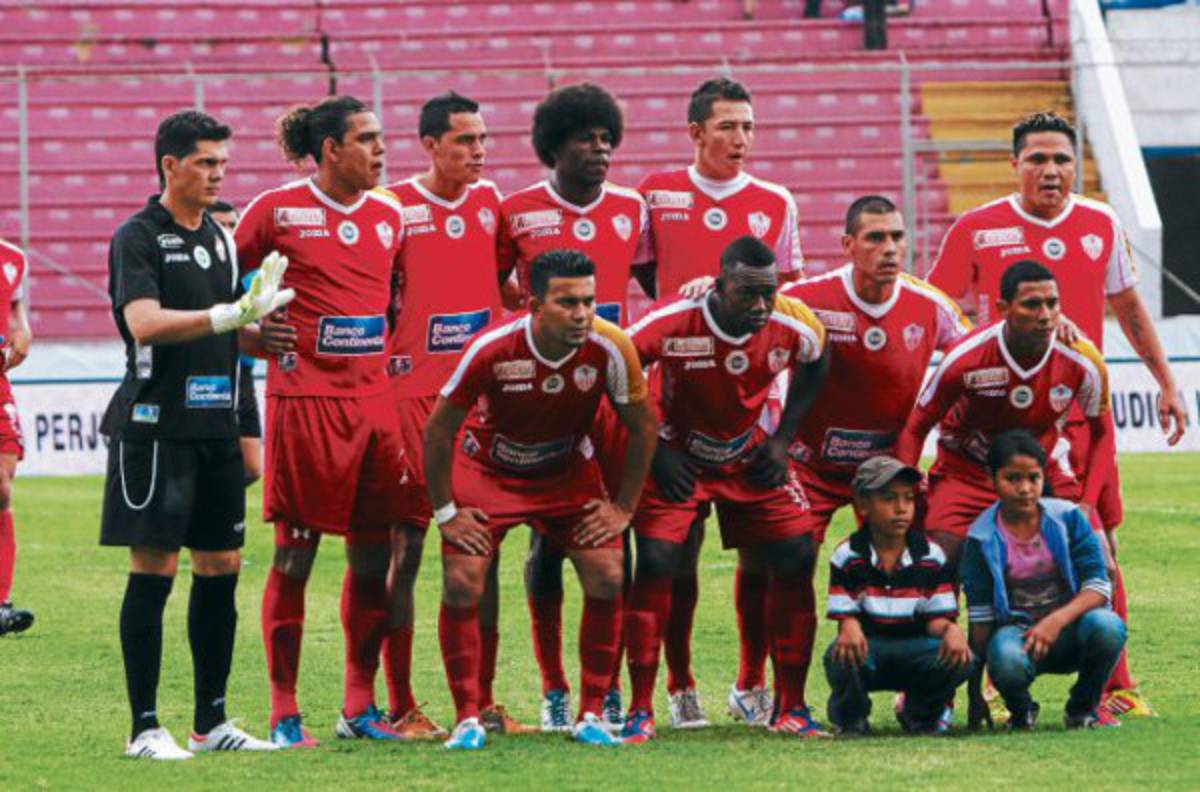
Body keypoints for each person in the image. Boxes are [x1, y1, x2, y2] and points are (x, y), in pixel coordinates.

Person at [928, 111, 1185, 716]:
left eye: (1062, 159)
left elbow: (1128, 306)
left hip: (1077, 415)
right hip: (996, 423)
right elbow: (940, 315)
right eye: (1038, 159)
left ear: (1077, 165)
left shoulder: (1100, 221)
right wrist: (1004, 332)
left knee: (1100, 540)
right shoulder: (977, 227)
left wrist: (1166, 382)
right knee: (969, 548)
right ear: (1013, 164)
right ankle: (977, 675)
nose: (1051, 170)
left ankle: (1117, 685)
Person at [101, 111, 288, 759]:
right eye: (205, 163)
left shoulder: (219, 237)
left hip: (215, 429)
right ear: (169, 166)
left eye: (222, 165)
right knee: (155, 570)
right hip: (155, 428)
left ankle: (212, 724)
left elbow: (226, 330)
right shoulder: (138, 237)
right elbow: (146, 323)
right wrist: (225, 315)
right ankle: (144, 728)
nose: (217, 175)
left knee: (222, 569)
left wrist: (262, 334)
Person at [424, 249, 657, 750]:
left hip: (564, 472)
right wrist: (445, 512)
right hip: (487, 470)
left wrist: (623, 508)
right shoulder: (491, 347)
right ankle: (467, 717)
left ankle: (592, 712)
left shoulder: (611, 347)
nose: (581, 314)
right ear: (534, 305)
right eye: (567, 302)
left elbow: (644, 428)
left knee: (609, 572)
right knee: (464, 577)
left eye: (588, 301)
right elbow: (438, 429)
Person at [234, 96, 410, 747]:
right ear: (331, 149)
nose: (380, 150)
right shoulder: (276, 210)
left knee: (372, 560)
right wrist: (255, 335)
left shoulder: (392, 215)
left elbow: (400, 305)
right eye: (366, 139)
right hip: (304, 405)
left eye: (380, 137)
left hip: (374, 406)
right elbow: (218, 296)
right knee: (295, 557)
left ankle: (358, 706)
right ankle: (283, 711)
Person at [636, 76, 805, 727]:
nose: (741, 139)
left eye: (749, 127)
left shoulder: (774, 200)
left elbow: (781, 300)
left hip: (751, 405)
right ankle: (679, 686)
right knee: (674, 555)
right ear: (696, 133)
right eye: (729, 126)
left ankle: (750, 681)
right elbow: (647, 278)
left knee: (762, 552)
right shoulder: (657, 192)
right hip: (678, 402)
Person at [761, 195, 968, 720]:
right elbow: (746, 317)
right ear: (848, 245)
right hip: (810, 467)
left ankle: (925, 696)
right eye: (875, 238)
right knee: (788, 564)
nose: (889, 248)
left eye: (897, 237)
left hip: (889, 472)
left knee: (933, 560)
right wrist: (703, 290)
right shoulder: (806, 298)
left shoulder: (932, 305)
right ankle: (785, 703)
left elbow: (974, 356)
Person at [620, 236, 829, 742]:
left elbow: (819, 359)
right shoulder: (672, 320)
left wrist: (782, 441)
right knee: (656, 564)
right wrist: (657, 450)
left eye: (769, 293)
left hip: (747, 455)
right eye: (748, 295)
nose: (761, 307)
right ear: (719, 286)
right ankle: (644, 708)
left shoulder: (791, 321)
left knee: (798, 553)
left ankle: (791, 706)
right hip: (677, 457)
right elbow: (619, 365)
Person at [497, 82, 651, 732]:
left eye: (607, 138)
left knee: (615, 537)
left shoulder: (631, 209)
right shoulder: (517, 211)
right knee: (548, 543)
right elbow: (496, 289)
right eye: (587, 138)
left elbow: (656, 286)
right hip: (548, 396)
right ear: (554, 145)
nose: (601, 149)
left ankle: (605, 684)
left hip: (612, 392)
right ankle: (555, 687)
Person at [382, 91, 525, 737]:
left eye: (483, 139)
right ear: (431, 144)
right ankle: (400, 701)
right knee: (407, 545)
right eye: (465, 140)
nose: (478, 151)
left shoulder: (491, 202)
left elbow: (503, 287)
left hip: (482, 402)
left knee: (482, 547)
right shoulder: (394, 209)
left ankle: (484, 700)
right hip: (413, 400)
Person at [895, 261, 1115, 573]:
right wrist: (911, 491)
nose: (1045, 315)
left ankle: (1093, 623)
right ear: (1003, 308)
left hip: (1042, 470)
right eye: (1031, 305)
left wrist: (1087, 505)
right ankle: (944, 622)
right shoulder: (965, 358)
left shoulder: (1082, 359)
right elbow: (916, 427)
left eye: (1052, 304)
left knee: (1100, 563)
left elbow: (1104, 434)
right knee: (936, 563)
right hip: (968, 470)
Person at [962, 429, 1125, 730]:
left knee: (1108, 627)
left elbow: (1099, 587)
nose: (1025, 489)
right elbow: (980, 620)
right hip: (1019, 637)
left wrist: (1055, 621)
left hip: (1072, 630)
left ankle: (1082, 710)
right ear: (992, 479)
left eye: (1033, 478)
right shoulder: (979, 537)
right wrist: (974, 693)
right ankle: (1021, 711)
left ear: (1042, 477)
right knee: (1005, 658)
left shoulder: (1069, 517)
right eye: (1013, 479)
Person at [823, 456, 974, 736]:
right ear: (863, 504)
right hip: (870, 650)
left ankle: (920, 714)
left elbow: (935, 619)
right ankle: (852, 718)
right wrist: (849, 624)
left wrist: (951, 629)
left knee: (962, 657)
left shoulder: (930, 555)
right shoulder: (848, 555)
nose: (901, 508)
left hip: (915, 649)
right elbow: (845, 616)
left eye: (908, 499)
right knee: (838, 655)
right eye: (889, 498)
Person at [208, 201, 263, 486]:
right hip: (211, 371)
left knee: (252, 467)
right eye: (221, 225)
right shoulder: (201, 267)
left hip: (243, 372)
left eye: (233, 225)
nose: (228, 231)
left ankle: (215, 506)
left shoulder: (250, 271)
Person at [0, 237, 32, 636]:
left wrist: (22, 330)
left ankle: (1, 603)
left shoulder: (13, 259)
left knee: (2, 490)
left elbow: (15, 310)